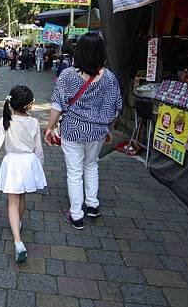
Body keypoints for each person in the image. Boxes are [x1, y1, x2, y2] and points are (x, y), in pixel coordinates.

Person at [44, 33, 122, 230]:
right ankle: (92, 205)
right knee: (91, 165)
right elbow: (115, 107)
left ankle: (76, 214)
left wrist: (50, 127)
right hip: (97, 131)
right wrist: (109, 130)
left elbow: (57, 105)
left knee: (75, 171)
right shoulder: (110, 78)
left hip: (73, 130)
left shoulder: (68, 75)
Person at [0, 85, 46, 263]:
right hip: (28, 163)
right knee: (21, 198)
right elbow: (39, 150)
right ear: (28, 106)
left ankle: (18, 241)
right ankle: (17, 225)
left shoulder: (6, 119)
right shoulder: (34, 123)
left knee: (12, 201)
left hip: (13, 163)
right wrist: (39, 169)